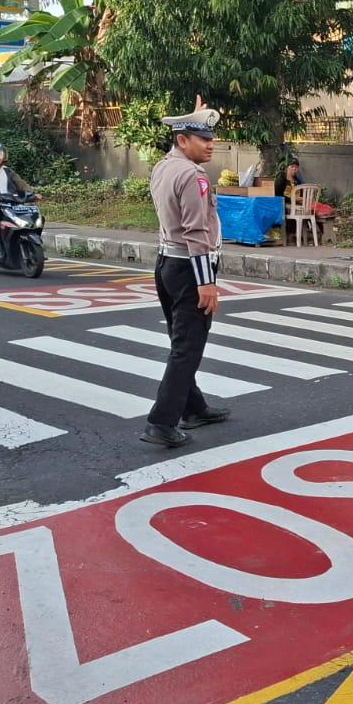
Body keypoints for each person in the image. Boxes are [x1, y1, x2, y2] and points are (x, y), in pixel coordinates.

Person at [142, 107, 229, 449]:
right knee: (188, 349)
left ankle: (193, 407)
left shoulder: (164, 167)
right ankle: (161, 422)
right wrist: (206, 282)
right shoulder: (194, 176)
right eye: (204, 139)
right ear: (182, 139)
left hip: (166, 265)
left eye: (211, 138)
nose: (211, 145)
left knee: (181, 343)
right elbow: (195, 231)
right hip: (190, 269)